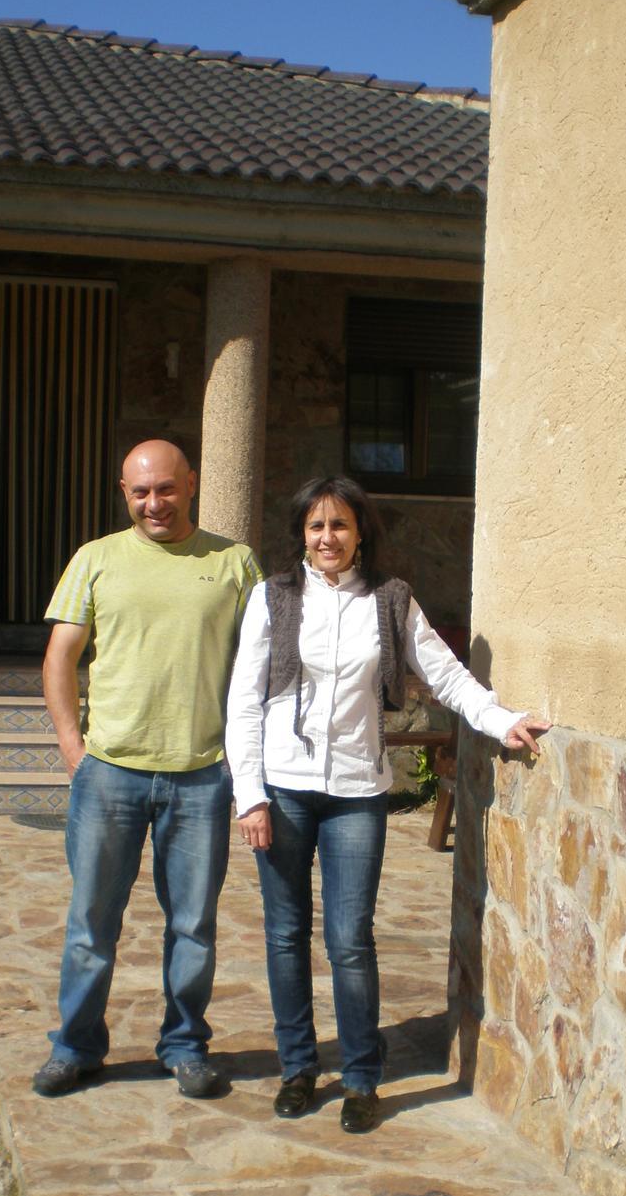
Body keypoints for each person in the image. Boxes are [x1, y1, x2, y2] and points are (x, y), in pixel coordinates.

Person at [225, 475, 549, 1134]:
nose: (327, 538)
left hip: (356, 794)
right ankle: (297, 1068)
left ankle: (363, 1078)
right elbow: (243, 703)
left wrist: (497, 717)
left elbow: (445, 672)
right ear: (302, 535)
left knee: (349, 938)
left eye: (339, 525)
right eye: (316, 526)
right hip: (283, 791)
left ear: (360, 532)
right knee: (286, 934)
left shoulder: (391, 602)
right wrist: (250, 795)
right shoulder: (273, 599)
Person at [32, 440, 263, 1100]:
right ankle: (75, 1048)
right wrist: (73, 747)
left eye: (165, 488)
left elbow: (261, 665)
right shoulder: (96, 560)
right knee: (91, 925)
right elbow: (59, 658)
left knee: (193, 924)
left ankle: (185, 1046)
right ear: (124, 492)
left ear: (191, 483)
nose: (153, 503)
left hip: (200, 774)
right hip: (109, 773)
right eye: (140, 492)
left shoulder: (234, 562)